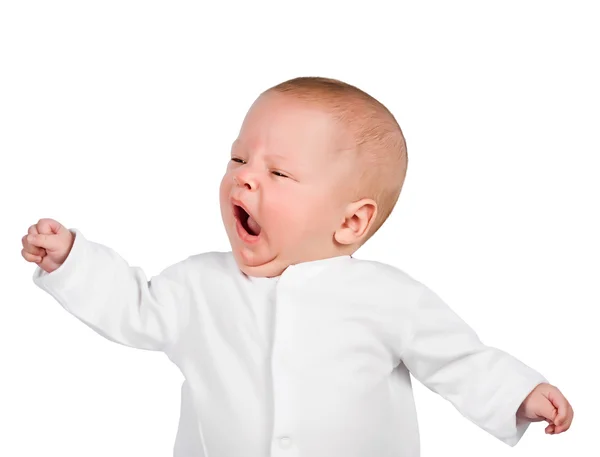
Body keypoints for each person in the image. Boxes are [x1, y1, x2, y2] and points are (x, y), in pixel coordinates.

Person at [22, 76, 573, 457]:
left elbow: (456, 358)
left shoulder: (385, 296)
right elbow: (134, 308)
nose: (245, 177)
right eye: (238, 159)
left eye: (278, 174)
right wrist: (74, 260)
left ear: (351, 223)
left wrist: (518, 394)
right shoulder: (198, 286)